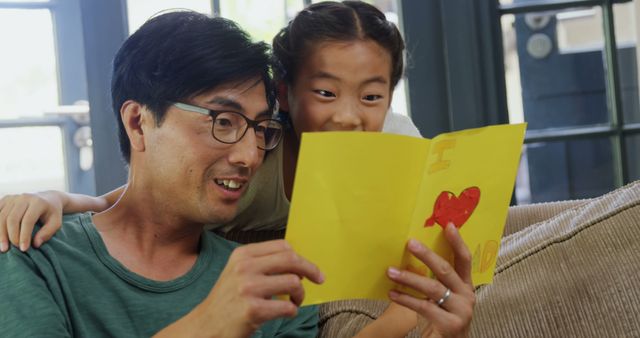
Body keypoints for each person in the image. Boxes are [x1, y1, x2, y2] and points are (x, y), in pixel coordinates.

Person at [0, 2, 476, 337]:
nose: (250, 154)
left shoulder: (275, 285)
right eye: (223, 121)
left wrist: (422, 328)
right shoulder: (28, 252)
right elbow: (111, 202)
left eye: (261, 128)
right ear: (137, 122)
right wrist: (211, 323)